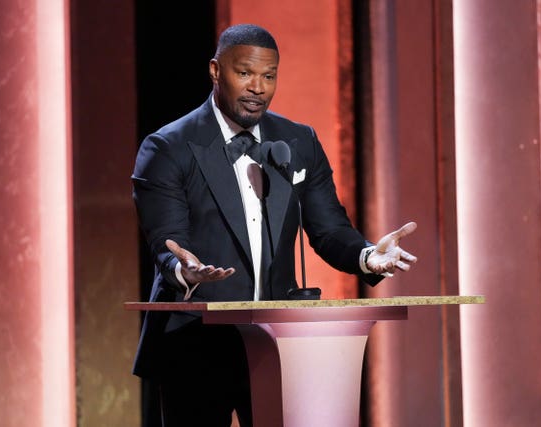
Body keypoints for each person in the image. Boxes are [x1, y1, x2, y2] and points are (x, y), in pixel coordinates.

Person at [131, 23, 418, 426]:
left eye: (269, 76)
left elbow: (329, 228)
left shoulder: (297, 142)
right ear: (216, 71)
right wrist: (184, 270)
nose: (258, 87)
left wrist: (368, 256)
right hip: (195, 342)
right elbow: (167, 242)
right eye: (244, 73)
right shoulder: (168, 146)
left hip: (276, 346)